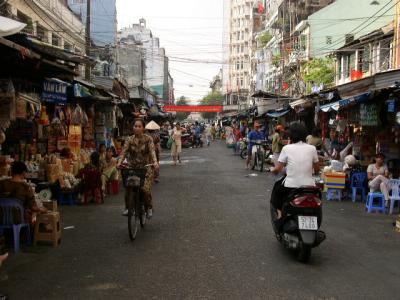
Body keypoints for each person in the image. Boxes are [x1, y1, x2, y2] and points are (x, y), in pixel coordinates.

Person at [271, 122, 320, 220]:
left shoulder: (286, 148)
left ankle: (280, 214)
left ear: (291, 135)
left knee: (276, 193)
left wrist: (273, 170)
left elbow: (278, 169)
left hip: (290, 186)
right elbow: (317, 169)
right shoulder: (312, 148)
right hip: (309, 187)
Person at [120, 119, 158, 218]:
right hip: (132, 168)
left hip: (146, 168)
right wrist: (119, 162)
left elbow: (152, 151)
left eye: (139, 126)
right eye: (135, 126)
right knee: (128, 187)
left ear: (143, 128)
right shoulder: (129, 139)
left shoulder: (148, 139)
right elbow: (123, 152)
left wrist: (155, 162)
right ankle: (128, 207)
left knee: (145, 189)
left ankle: (149, 207)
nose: (137, 128)